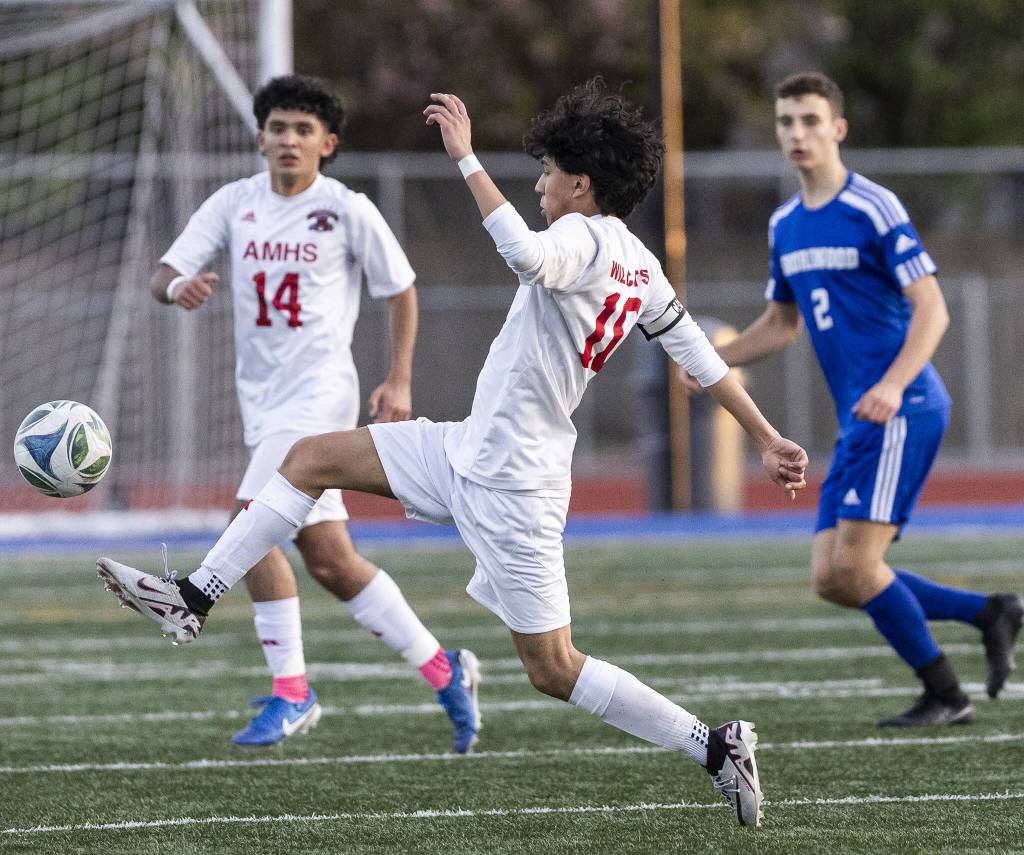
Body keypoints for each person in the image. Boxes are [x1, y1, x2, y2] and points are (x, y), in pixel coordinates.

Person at [97, 78, 810, 827]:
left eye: (545, 173)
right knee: (308, 459)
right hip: (467, 449)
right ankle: (195, 596)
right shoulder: (639, 261)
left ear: (581, 182)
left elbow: (528, 259)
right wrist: (764, 436)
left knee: (553, 668)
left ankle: (713, 744)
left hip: (513, 485)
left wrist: (467, 159)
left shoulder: (584, 236)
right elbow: (700, 356)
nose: (538, 185)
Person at [135, 74, 481, 752]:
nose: (289, 139)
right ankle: (447, 669)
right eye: (278, 128)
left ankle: (292, 691)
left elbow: (402, 289)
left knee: (252, 516)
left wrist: (399, 377)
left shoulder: (346, 209)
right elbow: (160, 273)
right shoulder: (234, 203)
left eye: (303, 130)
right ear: (259, 138)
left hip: (321, 394)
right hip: (260, 401)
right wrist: (178, 284)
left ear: (327, 144)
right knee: (330, 559)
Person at [683, 71, 1022, 727]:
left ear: (837, 129)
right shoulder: (785, 225)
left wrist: (893, 385)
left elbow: (934, 309)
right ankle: (990, 612)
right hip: (861, 419)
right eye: (786, 122)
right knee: (833, 577)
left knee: (858, 564)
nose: (797, 133)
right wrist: (714, 358)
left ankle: (947, 694)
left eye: (811, 120)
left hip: (904, 406)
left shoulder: (874, 206)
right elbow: (782, 325)